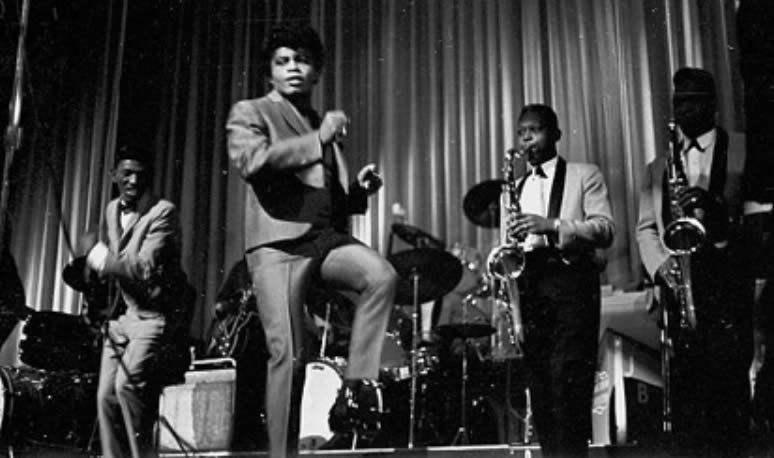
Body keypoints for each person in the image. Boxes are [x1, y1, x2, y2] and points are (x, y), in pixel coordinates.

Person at [226, 24, 397, 458]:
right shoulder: (251, 111)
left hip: (323, 240)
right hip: (279, 248)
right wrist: (317, 140)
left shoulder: (317, 122)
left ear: (316, 70)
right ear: (270, 72)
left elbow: (330, 197)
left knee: (381, 276)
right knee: (289, 356)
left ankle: (356, 388)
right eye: (283, 62)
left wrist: (358, 191)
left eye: (302, 61)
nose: (294, 69)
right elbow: (254, 163)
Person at [636, 67, 753, 457]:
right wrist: (659, 266)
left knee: (730, 388)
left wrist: (714, 209)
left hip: (728, 281)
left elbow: (756, 217)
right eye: (677, 102)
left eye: (692, 100)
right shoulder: (658, 167)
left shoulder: (742, 149)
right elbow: (645, 228)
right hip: (680, 285)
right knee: (689, 395)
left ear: (712, 104)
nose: (683, 109)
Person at [506, 104, 615, 457]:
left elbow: (605, 228)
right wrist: (516, 314)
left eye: (534, 131)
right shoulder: (513, 187)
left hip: (572, 283)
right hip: (531, 289)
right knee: (541, 393)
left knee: (569, 384)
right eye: (522, 132)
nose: (527, 139)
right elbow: (506, 256)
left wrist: (551, 225)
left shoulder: (585, 174)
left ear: (555, 134)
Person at [79, 146, 190, 458]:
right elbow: (110, 265)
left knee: (126, 388)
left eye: (139, 175)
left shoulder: (163, 212)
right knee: (104, 396)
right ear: (114, 175)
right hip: (123, 317)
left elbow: (143, 267)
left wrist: (100, 257)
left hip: (152, 317)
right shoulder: (112, 209)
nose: (132, 181)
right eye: (126, 173)